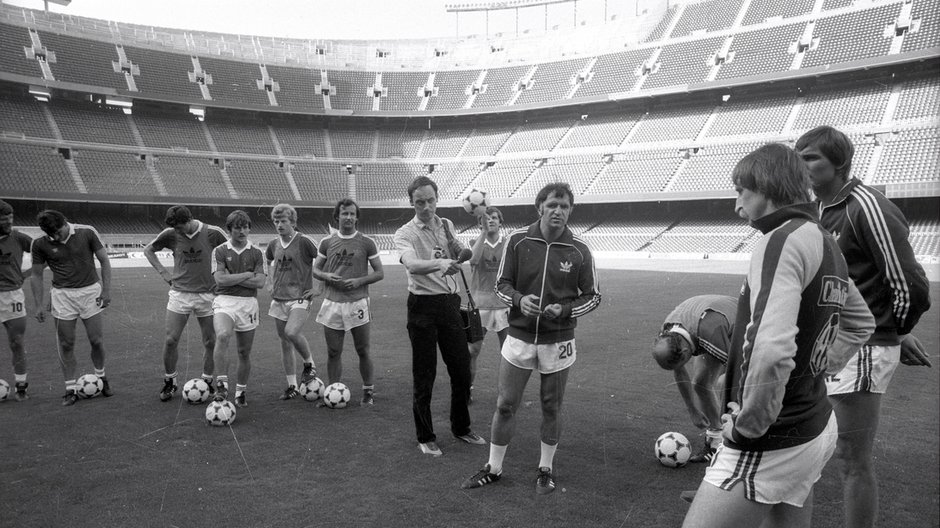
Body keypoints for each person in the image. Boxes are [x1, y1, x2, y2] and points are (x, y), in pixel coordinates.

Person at [682, 143, 875, 528]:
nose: (737, 204)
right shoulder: (823, 238)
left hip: (772, 438)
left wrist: (747, 425)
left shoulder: (780, 240)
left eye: (742, 191)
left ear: (766, 187)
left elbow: (770, 351)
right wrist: (818, 367)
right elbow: (861, 321)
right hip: (814, 424)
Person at [796, 126, 932, 528]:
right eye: (798, 156)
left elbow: (911, 284)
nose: (801, 165)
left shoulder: (866, 206)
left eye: (811, 158)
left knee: (850, 458)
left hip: (865, 349)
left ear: (839, 163)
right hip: (831, 346)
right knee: (810, 447)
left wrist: (893, 331)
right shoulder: (818, 210)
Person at [462, 182, 601, 495]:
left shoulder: (580, 249)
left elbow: (592, 296)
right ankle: (493, 468)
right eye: (552, 205)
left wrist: (564, 309)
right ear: (540, 207)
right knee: (505, 404)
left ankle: (545, 469)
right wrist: (519, 300)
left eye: (564, 206)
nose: (558, 211)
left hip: (558, 339)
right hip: (520, 336)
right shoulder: (518, 240)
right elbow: (502, 285)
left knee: (551, 406)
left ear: (571, 211)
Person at [393, 175, 486, 456]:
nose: (426, 206)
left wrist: (472, 241)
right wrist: (440, 263)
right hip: (421, 306)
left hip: (449, 304)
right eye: (419, 202)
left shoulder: (446, 224)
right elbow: (411, 264)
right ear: (411, 202)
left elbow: (460, 252)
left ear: (437, 199)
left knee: (460, 369)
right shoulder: (404, 233)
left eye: (431, 200)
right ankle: (425, 436)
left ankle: (461, 428)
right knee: (425, 374)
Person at [144, 205, 228, 402]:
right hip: (180, 294)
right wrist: (164, 273)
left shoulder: (214, 233)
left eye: (180, 228)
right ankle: (170, 381)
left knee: (210, 341)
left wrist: (222, 280)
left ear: (189, 220)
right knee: (171, 339)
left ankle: (207, 381)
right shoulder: (170, 234)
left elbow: (230, 253)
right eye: (175, 229)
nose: (178, 232)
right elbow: (149, 250)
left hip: (208, 295)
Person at [30, 210, 114, 406]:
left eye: (58, 232)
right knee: (66, 343)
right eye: (52, 235)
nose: (56, 238)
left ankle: (101, 377)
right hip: (62, 296)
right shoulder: (40, 243)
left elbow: (104, 261)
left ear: (65, 222)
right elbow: (36, 275)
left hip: (89, 292)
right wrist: (38, 305)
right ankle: (70, 388)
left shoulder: (87, 232)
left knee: (96, 340)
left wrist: (107, 290)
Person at [312, 198, 384, 405]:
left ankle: (368, 391)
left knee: (363, 349)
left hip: (357, 302)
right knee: (333, 351)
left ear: (357, 217)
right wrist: (327, 277)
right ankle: (332, 393)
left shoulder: (366, 242)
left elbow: (380, 273)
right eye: (345, 213)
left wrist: (359, 281)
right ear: (337, 217)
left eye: (352, 214)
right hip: (332, 303)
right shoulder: (327, 242)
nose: (349, 217)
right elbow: (316, 270)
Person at [651, 294, 736, 463]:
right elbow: (680, 371)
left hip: (739, 322)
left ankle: (733, 443)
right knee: (701, 384)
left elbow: (735, 371)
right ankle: (715, 441)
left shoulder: (711, 335)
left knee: (727, 382)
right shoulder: (667, 334)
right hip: (704, 322)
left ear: (684, 353)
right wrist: (693, 411)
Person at [210, 210, 266, 408]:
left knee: (244, 352)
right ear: (230, 230)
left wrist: (233, 278)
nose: (242, 231)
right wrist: (247, 274)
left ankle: (241, 391)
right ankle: (222, 385)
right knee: (223, 335)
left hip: (248, 304)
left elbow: (260, 283)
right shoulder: (220, 250)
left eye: (245, 227)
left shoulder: (257, 252)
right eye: (237, 227)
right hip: (224, 301)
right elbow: (220, 280)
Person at [264, 203, 319, 401]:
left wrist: (318, 287)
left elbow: (323, 259)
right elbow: (269, 260)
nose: (279, 225)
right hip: (279, 299)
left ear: (293, 222)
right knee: (285, 343)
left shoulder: (304, 241)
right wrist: (270, 281)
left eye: (283, 221)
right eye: (276, 221)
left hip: (300, 298)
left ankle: (309, 364)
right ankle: (292, 386)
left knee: (291, 332)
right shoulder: (273, 244)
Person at [467, 206, 509, 400]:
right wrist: (483, 231)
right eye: (487, 218)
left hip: (503, 305)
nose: (491, 220)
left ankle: (506, 393)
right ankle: (467, 390)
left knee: (509, 353)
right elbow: (473, 261)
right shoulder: (475, 242)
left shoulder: (508, 244)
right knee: (472, 351)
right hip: (479, 305)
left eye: (494, 218)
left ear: (501, 222)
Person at [0, 200, 34, 401]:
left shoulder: (19, 237)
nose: (8, 222)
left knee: (16, 342)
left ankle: (21, 386)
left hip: (12, 295)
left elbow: (43, 253)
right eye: (4, 219)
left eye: (10, 218)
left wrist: (27, 273)